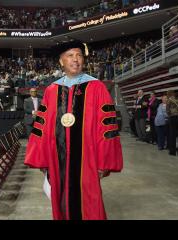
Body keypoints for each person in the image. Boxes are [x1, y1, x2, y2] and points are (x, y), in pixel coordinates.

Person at [24, 40, 123, 220]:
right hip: (57, 158)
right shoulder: (51, 90)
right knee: (61, 201)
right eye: (70, 56)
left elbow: (107, 128)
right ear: (61, 61)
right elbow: (42, 128)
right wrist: (43, 159)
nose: (75, 60)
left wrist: (104, 162)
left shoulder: (97, 87)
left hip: (88, 158)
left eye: (79, 55)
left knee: (90, 202)